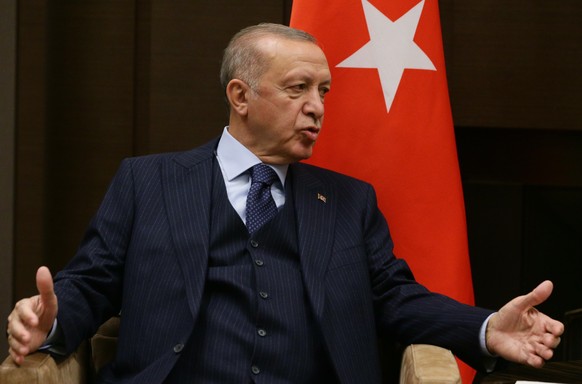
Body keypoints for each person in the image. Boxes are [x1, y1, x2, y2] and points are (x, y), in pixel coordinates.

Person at [7, 23, 563, 383]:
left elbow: (396, 299)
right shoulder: (147, 182)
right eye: (299, 88)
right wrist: (50, 323)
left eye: (324, 91)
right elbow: (91, 281)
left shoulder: (348, 202)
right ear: (241, 96)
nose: (318, 107)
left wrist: (488, 326)